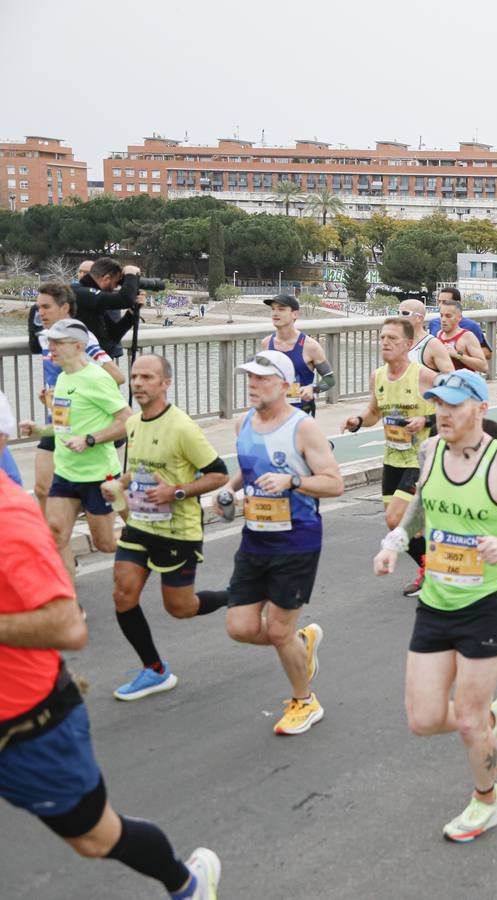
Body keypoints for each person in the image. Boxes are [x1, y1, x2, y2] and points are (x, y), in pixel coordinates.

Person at [0, 472, 220, 899]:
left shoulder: (7, 516)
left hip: (27, 730)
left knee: (95, 837)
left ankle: (186, 884)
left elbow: (66, 625)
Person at [373, 369, 497, 842]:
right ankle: (493, 721)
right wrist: (395, 540)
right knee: (424, 719)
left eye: (454, 405)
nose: (443, 413)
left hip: (486, 604)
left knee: (468, 720)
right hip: (436, 601)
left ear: (480, 407)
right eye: (438, 403)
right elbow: (420, 503)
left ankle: (485, 799)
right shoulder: (430, 449)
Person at [216, 349, 344, 735]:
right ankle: (299, 644)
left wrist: (294, 481)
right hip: (255, 537)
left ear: (286, 386)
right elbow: (248, 467)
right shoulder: (243, 423)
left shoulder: (303, 428)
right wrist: (227, 490)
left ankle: (305, 701)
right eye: (250, 378)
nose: (253, 385)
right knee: (239, 627)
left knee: (276, 629)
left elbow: (334, 482)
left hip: (297, 539)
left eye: (263, 379)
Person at [103, 354, 231, 700]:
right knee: (122, 593)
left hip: (179, 530)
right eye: (134, 376)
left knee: (180, 608)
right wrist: (120, 483)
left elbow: (219, 474)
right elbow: (142, 466)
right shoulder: (133, 424)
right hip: (141, 523)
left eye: (147, 377)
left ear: (165, 383)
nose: (139, 383)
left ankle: (237, 594)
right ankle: (155, 670)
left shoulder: (183, 428)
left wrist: (175, 492)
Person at [18, 319, 131, 581]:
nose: (50, 347)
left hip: (99, 477)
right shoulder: (62, 380)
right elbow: (65, 429)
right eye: (49, 342)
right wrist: (39, 429)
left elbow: (127, 420)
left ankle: (143, 545)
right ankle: (68, 602)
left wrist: (90, 439)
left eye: (57, 342)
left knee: (105, 544)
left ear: (79, 346)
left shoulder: (97, 378)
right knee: (56, 536)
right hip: (66, 474)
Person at [344, 318, 438, 597]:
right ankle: (434, 568)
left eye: (392, 339)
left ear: (408, 344)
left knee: (399, 516)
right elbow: (374, 412)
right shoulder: (378, 376)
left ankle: (431, 573)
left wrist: (426, 419)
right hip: (393, 457)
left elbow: (456, 408)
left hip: (420, 460)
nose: (385, 342)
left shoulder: (425, 377)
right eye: (383, 337)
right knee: (394, 522)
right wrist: (358, 420)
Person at [26, 282, 125, 515]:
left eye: (46, 307)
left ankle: (139, 532)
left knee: (112, 503)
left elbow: (116, 376)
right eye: (38, 307)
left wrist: (88, 390)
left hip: (85, 428)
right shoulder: (44, 337)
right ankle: (49, 542)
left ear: (65, 308)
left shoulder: (82, 337)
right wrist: (53, 398)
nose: (40, 313)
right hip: (59, 422)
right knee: (42, 488)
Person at [263, 294, 334, 416]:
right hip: (273, 412)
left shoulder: (310, 346)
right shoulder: (266, 343)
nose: (275, 313)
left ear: (295, 314)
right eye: (273, 309)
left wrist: (313, 388)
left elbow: (330, 379)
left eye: (281, 309)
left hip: (300, 413)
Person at [69, 257, 144, 359]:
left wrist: (132, 311)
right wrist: (131, 274)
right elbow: (124, 300)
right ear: (107, 279)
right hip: (82, 364)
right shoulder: (80, 293)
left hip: (98, 363)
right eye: (116, 283)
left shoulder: (94, 302)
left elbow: (114, 335)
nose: (115, 288)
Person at [435, 289, 489, 374]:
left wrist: (458, 355)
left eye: (448, 316)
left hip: (464, 384)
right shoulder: (439, 334)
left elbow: (484, 366)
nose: (443, 320)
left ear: (459, 317)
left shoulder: (467, 336)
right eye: (441, 316)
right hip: (444, 383)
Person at [400, 299, 454, 374]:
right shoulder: (397, 341)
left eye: (405, 313)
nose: (399, 317)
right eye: (398, 313)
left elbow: (451, 377)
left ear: (419, 318)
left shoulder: (433, 345)